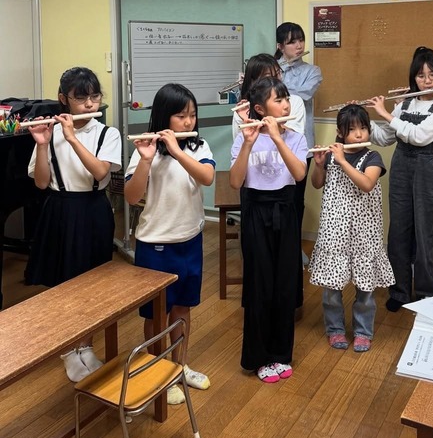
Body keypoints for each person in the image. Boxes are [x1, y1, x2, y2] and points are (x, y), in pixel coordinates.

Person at [26, 67, 122, 382]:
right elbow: (41, 183)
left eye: (94, 96)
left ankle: (87, 345)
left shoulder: (107, 133)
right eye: (81, 98)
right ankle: (69, 349)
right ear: (64, 99)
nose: (90, 104)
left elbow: (100, 173)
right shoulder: (50, 132)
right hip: (60, 210)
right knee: (64, 283)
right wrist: (43, 143)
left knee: (93, 285)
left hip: (93, 210)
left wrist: (71, 137)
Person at [124, 83, 215, 404]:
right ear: (164, 117)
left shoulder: (199, 147)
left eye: (192, 115)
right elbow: (131, 197)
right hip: (155, 246)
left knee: (182, 308)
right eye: (181, 116)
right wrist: (146, 160)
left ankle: (179, 366)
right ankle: (157, 370)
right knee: (155, 315)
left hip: (189, 240)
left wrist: (177, 150)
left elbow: (206, 177)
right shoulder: (145, 151)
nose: (189, 122)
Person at [230, 76, 307, 383]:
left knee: (285, 284)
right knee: (259, 285)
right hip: (255, 211)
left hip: (285, 210)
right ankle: (259, 357)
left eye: (286, 98)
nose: (286, 105)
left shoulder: (295, 136)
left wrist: (278, 138)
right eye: (279, 100)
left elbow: (299, 174)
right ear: (260, 109)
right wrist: (249, 142)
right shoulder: (245, 137)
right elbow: (235, 181)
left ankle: (281, 354)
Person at [367, 47, 433, 311]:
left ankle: (427, 292)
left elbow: (419, 136)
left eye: (432, 74)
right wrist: (363, 120)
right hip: (402, 168)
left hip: (430, 169)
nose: (427, 80)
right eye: (420, 75)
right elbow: (385, 138)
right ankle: (400, 291)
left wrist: (386, 114)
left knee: (427, 232)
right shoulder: (405, 103)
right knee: (399, 230)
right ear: (413, 78)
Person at [309, 104, 394, 352]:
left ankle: (363, 331)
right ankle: (335, 329)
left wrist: (342, 161)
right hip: (334, 231)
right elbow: (316, 184)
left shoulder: (373, 157)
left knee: (365, 288)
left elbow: (367, 184)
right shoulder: (332, 156)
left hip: (364, 233)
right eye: (352, 130)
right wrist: (319, 165)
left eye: (363, 128)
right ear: (340, 132)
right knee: (332, 287)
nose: (359, 134)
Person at [275, 22, 322, 263]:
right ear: (280, 46)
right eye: (292, 41)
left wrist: (273, 80)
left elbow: (301, 95)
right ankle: (274, 246)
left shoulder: (312, 71)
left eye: (301, 40)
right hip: (272, 142)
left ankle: (294, 248)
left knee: (295, 199)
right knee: (275, 197)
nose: (299, 45)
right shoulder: (272, 68)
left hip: (301, 142)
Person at [232, 53, 306, 139]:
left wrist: (263, 125)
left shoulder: (294, 101)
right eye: (268, 77)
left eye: (278, 73)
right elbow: (240, 143)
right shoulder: (243, 110)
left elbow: (296, 138)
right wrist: (246, 120)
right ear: (253, 81)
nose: (275, 79)